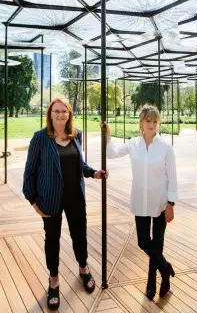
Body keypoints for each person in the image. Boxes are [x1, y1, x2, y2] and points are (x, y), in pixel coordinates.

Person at [23, 97, 108, 310]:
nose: (60, 115)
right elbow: (29, 173)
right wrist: (33, 201)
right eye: (56, 111)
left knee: (80, 235)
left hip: (75, 198)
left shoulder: (76, 135)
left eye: (64, 111)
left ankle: (83, 268)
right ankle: (53, 280)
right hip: (49, 199)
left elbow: (80, 165)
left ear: (69, 114)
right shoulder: (40, 138)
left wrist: (94, 173)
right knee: (52, 240)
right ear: (50, 114)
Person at [102, 105, 178, 300]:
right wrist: (108, 134)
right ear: (141, 122)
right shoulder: (133, 143)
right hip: (140, 201)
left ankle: (153, 280)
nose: (152, 125)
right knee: (144, 242)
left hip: (161, 203)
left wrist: (170, 205)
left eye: (155, 121)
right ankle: (165, 267)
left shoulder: (166, 147)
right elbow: (111, 153)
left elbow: (173, 178)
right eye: (148, 121)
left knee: (157, 244)